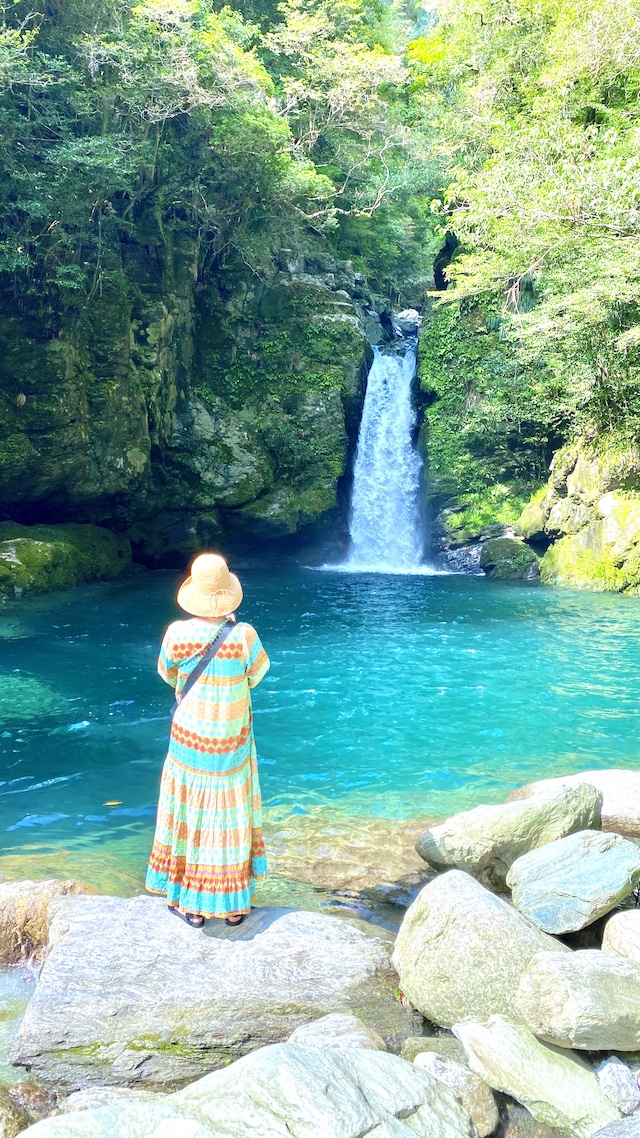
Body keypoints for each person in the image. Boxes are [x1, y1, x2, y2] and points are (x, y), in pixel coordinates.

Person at [146, 553, 270, 928]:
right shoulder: (244, 635)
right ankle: (233, 905)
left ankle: (191, 904)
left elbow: (168, 674)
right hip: (230, 742)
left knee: (188, 812)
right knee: (229, 816)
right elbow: (257, 674)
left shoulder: (177, 634)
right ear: (228, 592)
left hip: (189, 740)